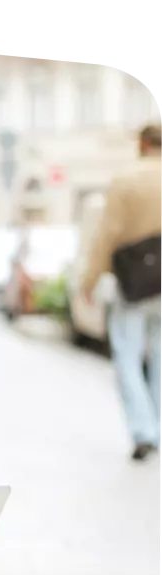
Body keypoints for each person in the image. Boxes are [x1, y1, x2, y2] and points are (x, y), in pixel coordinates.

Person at [81, 123, 162, 463]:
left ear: (142, 144)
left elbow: (108, 234)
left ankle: (144, 430)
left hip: (136, 282)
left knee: (128, 354)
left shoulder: (126, 179)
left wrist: (89, 280)